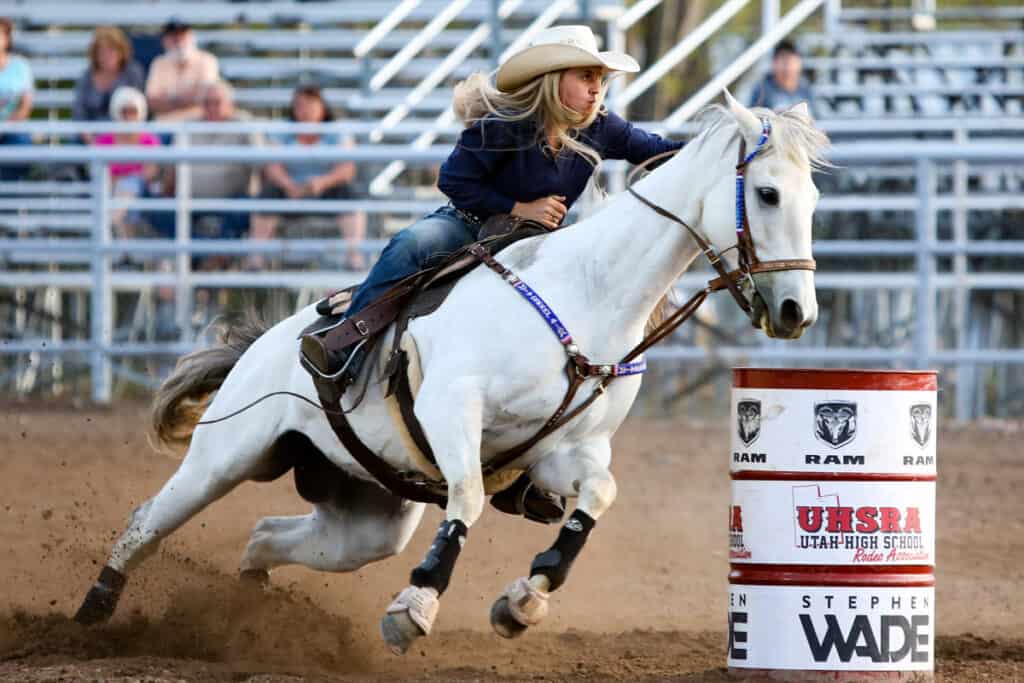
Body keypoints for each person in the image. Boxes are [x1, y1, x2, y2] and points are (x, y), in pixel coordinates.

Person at [300, 25, 684, 523]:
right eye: (586, 76)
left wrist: (717, 153)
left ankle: (524, 459)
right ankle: (345, 345)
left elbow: (655, 148)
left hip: (537, 250)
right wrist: (519, 206)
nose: (597, 89)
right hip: (471, 225)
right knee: (411, 246)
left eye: (601, 80)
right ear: (552, 80)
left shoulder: (601, 126)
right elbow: (453, 180)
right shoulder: (503, 125)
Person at [249, 83, 366, 271]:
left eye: (310, 105)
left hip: (325, 190)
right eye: (300, 106)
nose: (305, 111)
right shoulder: (282, 130)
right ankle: (256, 259)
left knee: (349, 192)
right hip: (290, 192)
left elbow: (346, 169)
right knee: (268, 192)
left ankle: (354, 257)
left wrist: (322, 182)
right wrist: (288, 185)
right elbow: (272, 166)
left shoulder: (337, 131)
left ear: (322, 107)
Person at [91, 86, 161, 239]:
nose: (129, 116)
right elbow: (101, 174)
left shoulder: (149, 140)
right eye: (124, 111)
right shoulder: (105, 140)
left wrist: (124, 180)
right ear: (117, 112)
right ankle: (125, 250)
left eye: (133, 111)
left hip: (141, 192)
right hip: (112, 192)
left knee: (130, 186)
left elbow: (150, 172)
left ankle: (112, 223)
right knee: (127, 202)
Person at [145, 19, 219, 121]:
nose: (178, 39)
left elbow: (205, 97)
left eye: (182, 34)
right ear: (165, 40)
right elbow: (152, 102)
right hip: (164, 125)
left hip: (197, 124)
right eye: (173, 35)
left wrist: (169, 99)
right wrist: (186, 98)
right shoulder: (158, 63)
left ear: (191, 36)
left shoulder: (207, 60)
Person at [72, 27, 145, 128]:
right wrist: (90, 138)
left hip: (124, 132)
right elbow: (79, 113)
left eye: (111, 51)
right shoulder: (86, 76)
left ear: (121, 51)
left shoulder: (132, 73)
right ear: (95, 54)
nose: (107, 56)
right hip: (91, 134)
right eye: (102, 52)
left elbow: (136, 110)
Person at [0, 17, 34, 181]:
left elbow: (25, 105)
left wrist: (7, 126)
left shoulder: (20, 66)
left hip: (13, 129)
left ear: (7, 38)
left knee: (20, 145)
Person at [748, 40, 817, 116]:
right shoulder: (762, 89)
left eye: (790, 60)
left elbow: (817, 117)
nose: (787, 66)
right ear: (774, 63)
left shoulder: (805, 89)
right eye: (782, 60)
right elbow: (753, 118)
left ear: (799, 63)